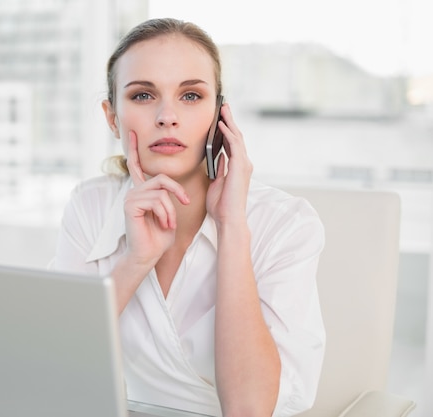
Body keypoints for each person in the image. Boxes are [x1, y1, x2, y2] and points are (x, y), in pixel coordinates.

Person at [51, 17, 325, 417]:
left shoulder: (285, 224)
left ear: (221, 115)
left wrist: (231, 228)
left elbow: (249, 409)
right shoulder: (90, 205)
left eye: (191, 96)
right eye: (143, 96)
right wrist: (135, 262)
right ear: (112, 117)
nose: (167, 116)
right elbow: (52, 364)